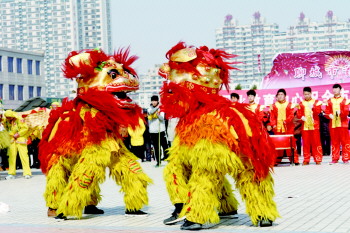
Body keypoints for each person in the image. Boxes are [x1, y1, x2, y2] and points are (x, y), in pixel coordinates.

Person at [159, 42, 278, 230]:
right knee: (246, 171)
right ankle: (256, 211)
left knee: (204, 170)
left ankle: (198, 215)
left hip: (212, 132)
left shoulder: (203, 115)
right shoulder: (233, 110)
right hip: (237, 128)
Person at [269, 89, 299, 165]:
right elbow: (272, 117)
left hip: (288, 127)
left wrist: (286, 121)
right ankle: (276, 160)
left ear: (285, 96)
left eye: (281, 94)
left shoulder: (289, 105)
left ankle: (294, 160)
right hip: (278, 128)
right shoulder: (274, 106)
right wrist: (274, 125)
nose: (280, 96)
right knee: (278, 144)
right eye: (278, 94)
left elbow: (291, 115)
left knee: (290, 144)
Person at [297, 87, 323, 165]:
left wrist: (313, 108)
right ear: (303, 94)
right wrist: (301, 117)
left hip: (314, 126)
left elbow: (318, 112)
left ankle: (317, 159)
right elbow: (298, 113)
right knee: (306, 143)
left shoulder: (316, 102)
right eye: (305, 94)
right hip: (305, 126)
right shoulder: (301, 103)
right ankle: (306, 159)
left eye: (308, 94)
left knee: (316, 142)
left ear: (311, 93)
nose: (306, 95)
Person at [325, 84, 350, 164]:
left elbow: (346, 112)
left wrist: (341, 112)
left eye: (337, 89)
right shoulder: (329, 101)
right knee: (335, 142)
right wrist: (329, 115)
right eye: (334, 89)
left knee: (345, 141)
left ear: (340, 90)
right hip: (333, 125)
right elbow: (326, 111)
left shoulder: (345, 100)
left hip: (343, 124)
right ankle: (335, 158)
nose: (335, 90)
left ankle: (345, 158)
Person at [3, 110, 32, 179]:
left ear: (12, 116)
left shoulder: (20, 119)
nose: (8, 118)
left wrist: (18, 134)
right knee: (11, 157)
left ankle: (27, 173)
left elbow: (25, 128)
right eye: (7, 117)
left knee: (24, 156)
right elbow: (6, 129)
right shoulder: (6, 121)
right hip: (12, 140)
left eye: (9, 117)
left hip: (21, 139)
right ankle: (11, 173)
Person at [147, 95, 169, 166]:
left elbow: (162, 118)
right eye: (152, 101)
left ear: (157, 101)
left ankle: (168, 158)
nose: (153, 102)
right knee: (156, 147)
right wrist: (157, 108)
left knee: (165, 146)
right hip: (153, 132)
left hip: (161, 131)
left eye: (155, 101)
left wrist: (158, 115)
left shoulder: (161, 109)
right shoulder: (149, 109)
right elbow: (150, 113)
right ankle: (158, 161)